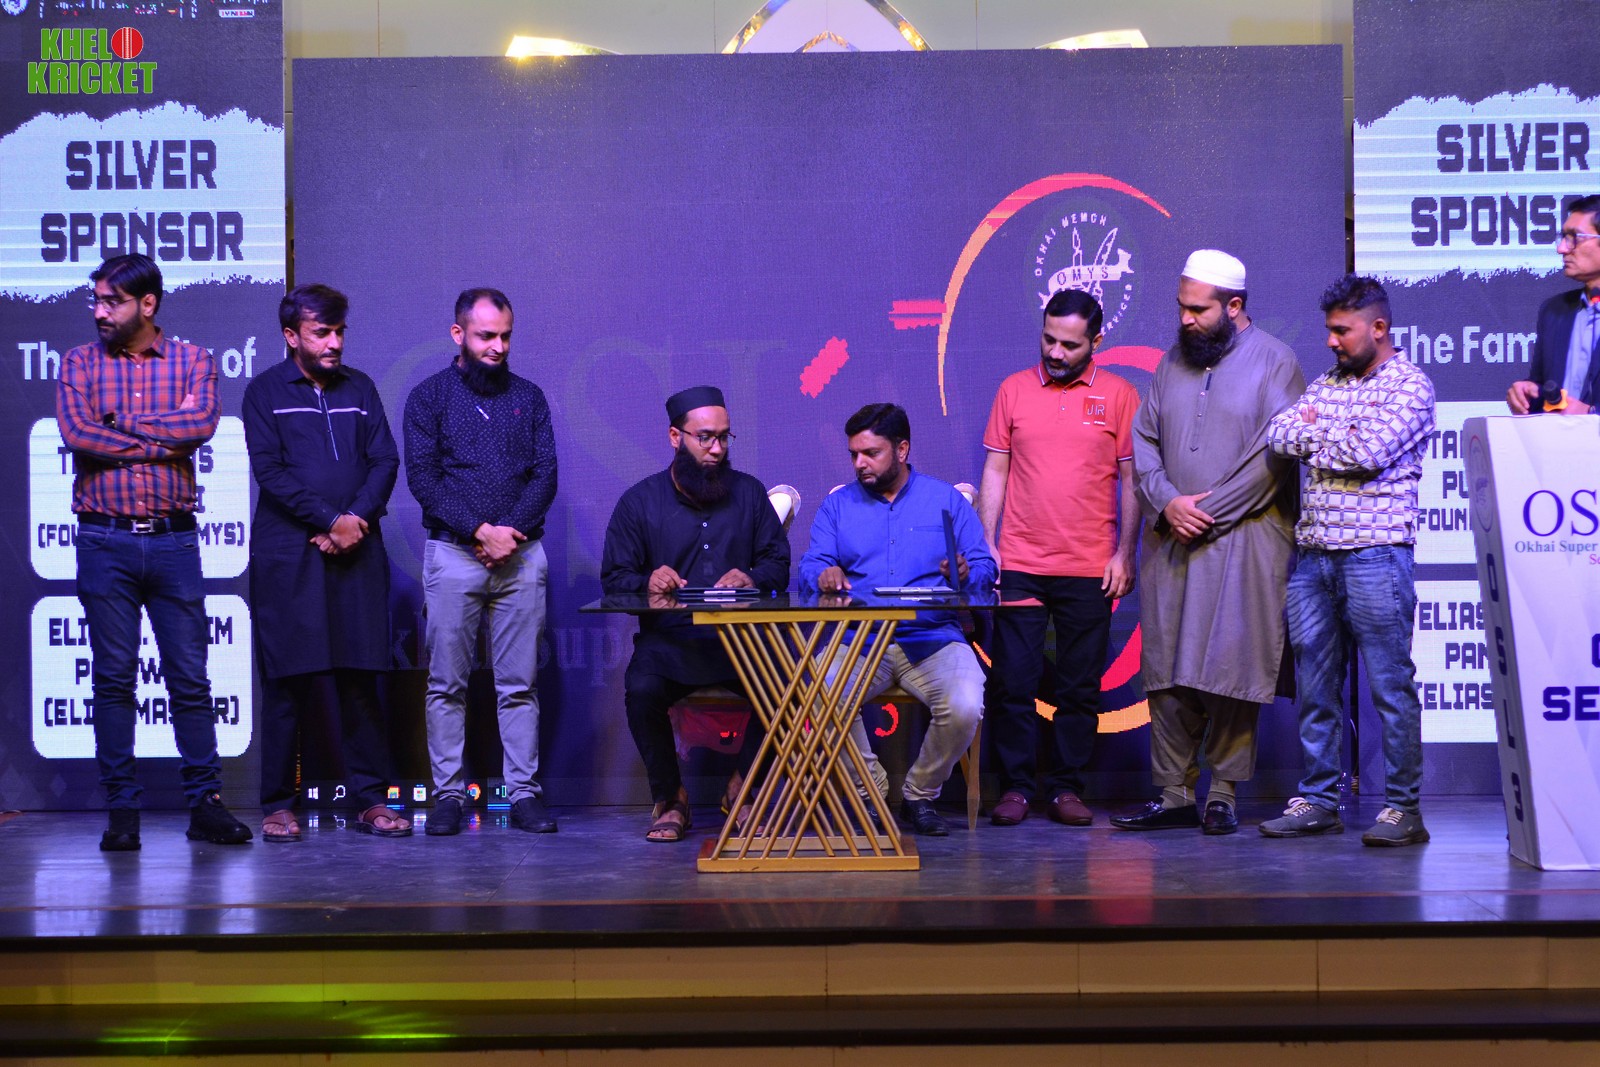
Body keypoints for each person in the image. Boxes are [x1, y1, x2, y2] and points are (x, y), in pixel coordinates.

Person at [56, 253, 252, 850]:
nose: (99, 311)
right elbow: (77, 433)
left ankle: (205, 806)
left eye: (111, 301)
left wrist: (119, 423)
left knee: (190, 678)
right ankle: (123, 812)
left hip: (174, 540)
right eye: (95, 300)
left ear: (147, 304)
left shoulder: (194, 361)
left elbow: (201, 426)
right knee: (113, 680)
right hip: (104, 539)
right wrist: (157, 438)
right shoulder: (79, 362)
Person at [1113, 250, 1304, 837]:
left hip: (1244, 542)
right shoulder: (1171, 362)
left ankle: (1223, 792)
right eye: (1182, 307)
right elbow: (1144, 442)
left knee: (1230, 666)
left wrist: (1202, 512)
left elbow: (1273, 458)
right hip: (1172, 542)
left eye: (1198, 310)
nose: (1186, 319)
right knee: (1168, 669)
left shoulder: (1276, 362)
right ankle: (1173, 794)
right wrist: (1168, 503)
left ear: (1234, 306)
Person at [1263, 274, 1436, 847]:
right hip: (1314, 559)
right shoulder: (1326, 382)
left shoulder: (1410, 386)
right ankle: (1318, 801)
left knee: (1390, 686)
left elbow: (1366, 453)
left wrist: (1321, 432)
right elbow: (1279, 434)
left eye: (1342, 330)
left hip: (1376, 555)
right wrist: (1333, 431)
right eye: (1329, 330)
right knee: (1316, 688)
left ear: (1378, 327)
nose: (1331, 341)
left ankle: (1404, 809)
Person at [242, 284, 408, 842]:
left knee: (361, 679)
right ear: (292, 336)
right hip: (288, 554)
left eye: (339, 332)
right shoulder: (264, 391)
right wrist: (328, 519)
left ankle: (371, 800)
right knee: (287, 681)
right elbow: (269, 471)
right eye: (321, 333)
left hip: (357, 550)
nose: (334, 343)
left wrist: (353, 520)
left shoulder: (359, 387)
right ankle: (278, 804)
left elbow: (384, 460)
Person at [977, 288, 1140, 828]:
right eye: (1049, 339)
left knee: (1078, 688)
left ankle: (1067, 788)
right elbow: (996, 469)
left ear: (1097, 341)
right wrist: (987, 543)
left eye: (1069, 345)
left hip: (1090, 566)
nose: (1055, 351)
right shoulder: (1013, 390)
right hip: (1020, 563)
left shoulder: (1120, 395)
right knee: (1013, 684)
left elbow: (1133, 481)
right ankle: (1016, 788)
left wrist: (1125, 553)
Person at [601, 386, 791, 842]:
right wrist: (648, 581)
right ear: (675, 437)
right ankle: (671, 798)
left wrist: (751, 577)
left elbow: (778, 565)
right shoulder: (639, 502)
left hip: (742, 644)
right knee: (642, 689)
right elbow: (615, 579)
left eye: (724, 437)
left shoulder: (749, 493)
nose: (717, 449)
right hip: (670, 644)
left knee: (789, 687)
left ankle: (744, 788)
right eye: (705, 437)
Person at [798, 403, 995, 837]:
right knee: (819, 693)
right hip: (859, 639)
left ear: (902, 449)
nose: (859, 463)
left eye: (871, 453)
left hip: (933, 637)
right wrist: (823, 573)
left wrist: (967, 573)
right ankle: (869, 794)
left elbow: (985, 567)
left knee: (965, 705)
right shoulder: (837, 506)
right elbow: (810, 566)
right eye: (854, 454)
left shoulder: (944, 500)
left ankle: (919, 795)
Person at [403, 288, 558, 837]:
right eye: (486, 336)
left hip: (520, 554)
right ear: (458, 334)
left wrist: (506, 534)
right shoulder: (429, 397)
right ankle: (448, 795)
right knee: (447, 684)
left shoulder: (529, 397)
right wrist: (479, 531)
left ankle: (523, 794)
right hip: (454, 552)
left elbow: (545, 474)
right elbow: (423, 478)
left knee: (519, 684)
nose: (498, 346)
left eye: (505, 336)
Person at [1506, 193, 1600, 415]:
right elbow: (1546, 392)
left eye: (1574, 237)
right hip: (1554, 437)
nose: (1562, 248)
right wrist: (1527, 393)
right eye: (1563, 237)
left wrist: (1591, 414)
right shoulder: (1554, 311)